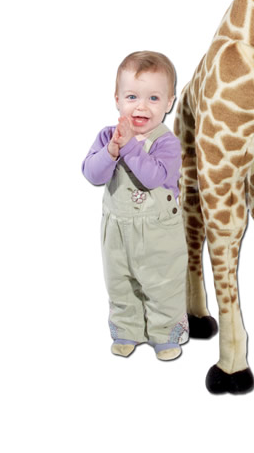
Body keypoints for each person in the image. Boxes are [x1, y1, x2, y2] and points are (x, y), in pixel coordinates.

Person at [81, 51, 189, 360]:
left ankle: (165, 333)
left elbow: (152, 178)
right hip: (116, 229)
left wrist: (129, 145)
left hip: (159, 232)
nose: (141, 106)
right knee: (120, 282)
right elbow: (92, 174)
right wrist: (111, 151)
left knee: (162, 284)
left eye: (153, 98)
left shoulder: (166, 143)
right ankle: (127, 329)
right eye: (132, 97)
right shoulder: (107, 136)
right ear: (117, 99)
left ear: (168, 103)